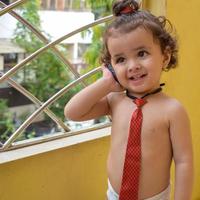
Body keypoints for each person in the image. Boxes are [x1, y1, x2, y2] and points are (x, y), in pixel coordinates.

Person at [64, 0, 193, 199]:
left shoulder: (172, 110)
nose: (132, 66)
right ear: (111, 65)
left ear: (165, 56)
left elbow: (184, 162)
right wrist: (106, 83)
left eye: (142, 53)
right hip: (114, 195)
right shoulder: (115, 101)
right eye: (121, 59)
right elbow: (72, 112)